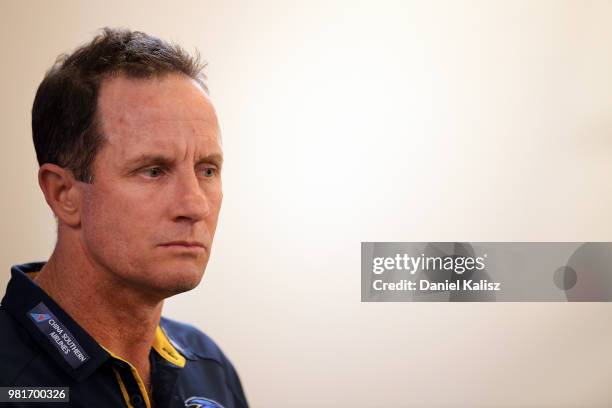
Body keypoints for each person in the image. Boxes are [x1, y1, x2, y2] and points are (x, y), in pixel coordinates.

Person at [0, 28, 248, 408]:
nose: (195, 205)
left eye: (208, 170)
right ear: (63, 193)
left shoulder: (210, 368)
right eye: (153, 170)